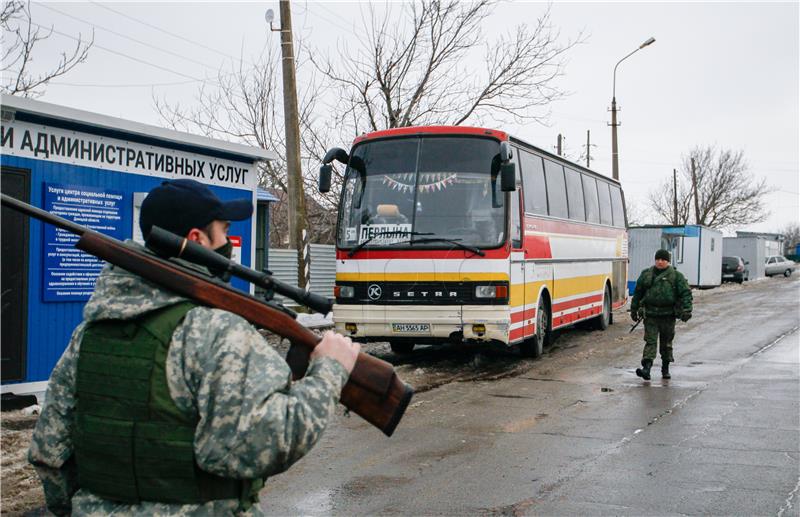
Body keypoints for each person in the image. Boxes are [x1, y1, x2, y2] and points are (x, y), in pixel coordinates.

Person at [28, 179, 360, 516]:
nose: (229, 242)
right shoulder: (216, 330)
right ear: (196, 240)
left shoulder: (90, 333)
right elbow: (257, 443)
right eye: (224, 231)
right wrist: (329, 372)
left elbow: (49, 454)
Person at [630, 249, 693, 380]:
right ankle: (646, 368)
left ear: (668, 261)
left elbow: (686, 293)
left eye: (663, 260)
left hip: (668, 315)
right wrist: (634, 309)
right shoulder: (646, 274)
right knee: (650, 341)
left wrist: (687, 310)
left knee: (666, 343)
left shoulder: (676, 276)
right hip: (651, 314)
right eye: (658, 259)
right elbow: (638, 293)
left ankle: (665, 368)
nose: (660, 262)